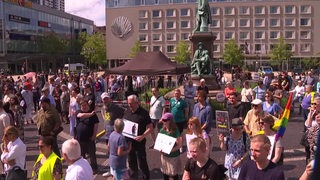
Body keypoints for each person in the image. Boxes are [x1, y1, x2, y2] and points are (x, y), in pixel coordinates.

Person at [123, 94, 153, 180]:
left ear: (137, 103)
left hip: (139, 143)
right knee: (131, 164)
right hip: (129, 143)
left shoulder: (144, 113)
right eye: (128, 103)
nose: (130, 105)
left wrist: (143, 136)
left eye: (131, 103)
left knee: (142, 164)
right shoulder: (127, 112)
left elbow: (150, 127)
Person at [75, 100, 99, 173]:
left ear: (88, 105)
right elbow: (80, 116)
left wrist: (94, 135)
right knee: (81, 155)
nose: (84, 107)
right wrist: (90, 114)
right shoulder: (79, 111)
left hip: (89, 138)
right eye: (82, 106)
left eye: (85, 105)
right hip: (80, 138)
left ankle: (94, 168)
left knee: (92, 154)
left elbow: (96, 125)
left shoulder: (93, 114)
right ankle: (83, 168)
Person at [158, 113, 182, 180]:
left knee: (174, 175)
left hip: (173, 156)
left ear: (170, 121)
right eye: (162, 120)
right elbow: (160, 143)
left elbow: (179, 145)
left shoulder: (175, 131)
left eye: (165, 120)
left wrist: (169, 150)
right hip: (164, 156)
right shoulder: (162, 130)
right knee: (165, 174)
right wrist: (160, 149)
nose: (163, 121)